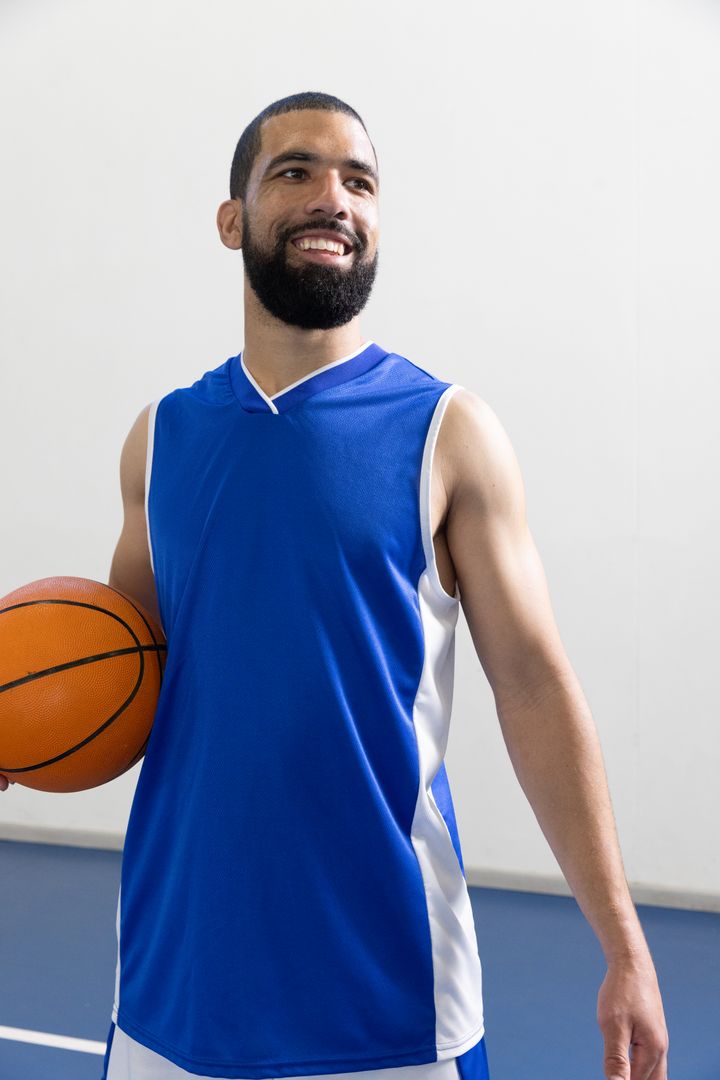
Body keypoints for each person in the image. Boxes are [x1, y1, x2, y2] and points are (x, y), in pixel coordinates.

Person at [1, 91, 668, 1080]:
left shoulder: (449, 433)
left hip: (388, 1003)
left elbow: (532, 683)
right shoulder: (162, 440)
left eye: (359, 180)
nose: (334, 198)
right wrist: (20, 729)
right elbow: (125, 679)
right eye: (296, 172)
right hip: (171, 990)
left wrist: (623, 945)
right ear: (232, 221)